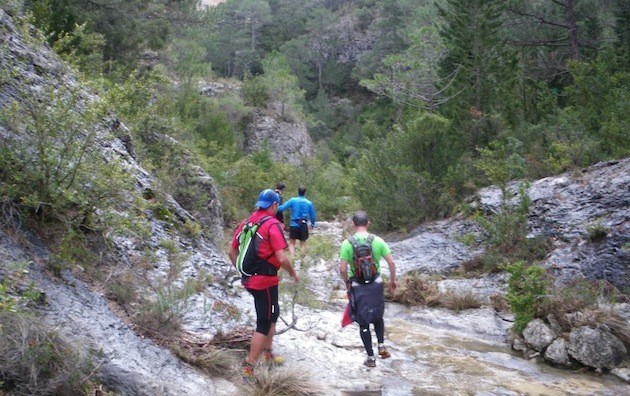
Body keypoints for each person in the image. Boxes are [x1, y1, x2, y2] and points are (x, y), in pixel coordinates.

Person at [228, 188, 299, 380]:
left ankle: (268, 354)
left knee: (273, 312)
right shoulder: (272, 225)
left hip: (254, 280)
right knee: (264, 322)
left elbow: (231, 251)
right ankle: (248, 368)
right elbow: (282, 258)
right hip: (264, 282)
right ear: (274, 205)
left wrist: (243, 272)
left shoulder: (247, 222)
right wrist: (293, 273)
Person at [339, 210, 397, 368]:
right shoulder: (377, 241)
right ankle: (381, 345)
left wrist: (346, 283)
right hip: (376, 283)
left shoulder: (347, 244)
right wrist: (392, 280)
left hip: (357, 286)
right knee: (378, 316)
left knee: (363, 322)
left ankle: (371, 357)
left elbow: (343, 269)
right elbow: (391, 263)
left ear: (353, 224)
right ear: (368, 223)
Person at [277, 185, 316, 257]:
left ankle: (292, 258)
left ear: (298, 192)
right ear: (305, 193)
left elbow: (281, 208)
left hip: (294, 224)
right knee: (303, 243)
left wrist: (273, 207)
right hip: (303, 225)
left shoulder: (293, 200)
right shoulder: (309, 203)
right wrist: (313, 224)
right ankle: (302, 260)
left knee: (292, 243)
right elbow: (313, 216)